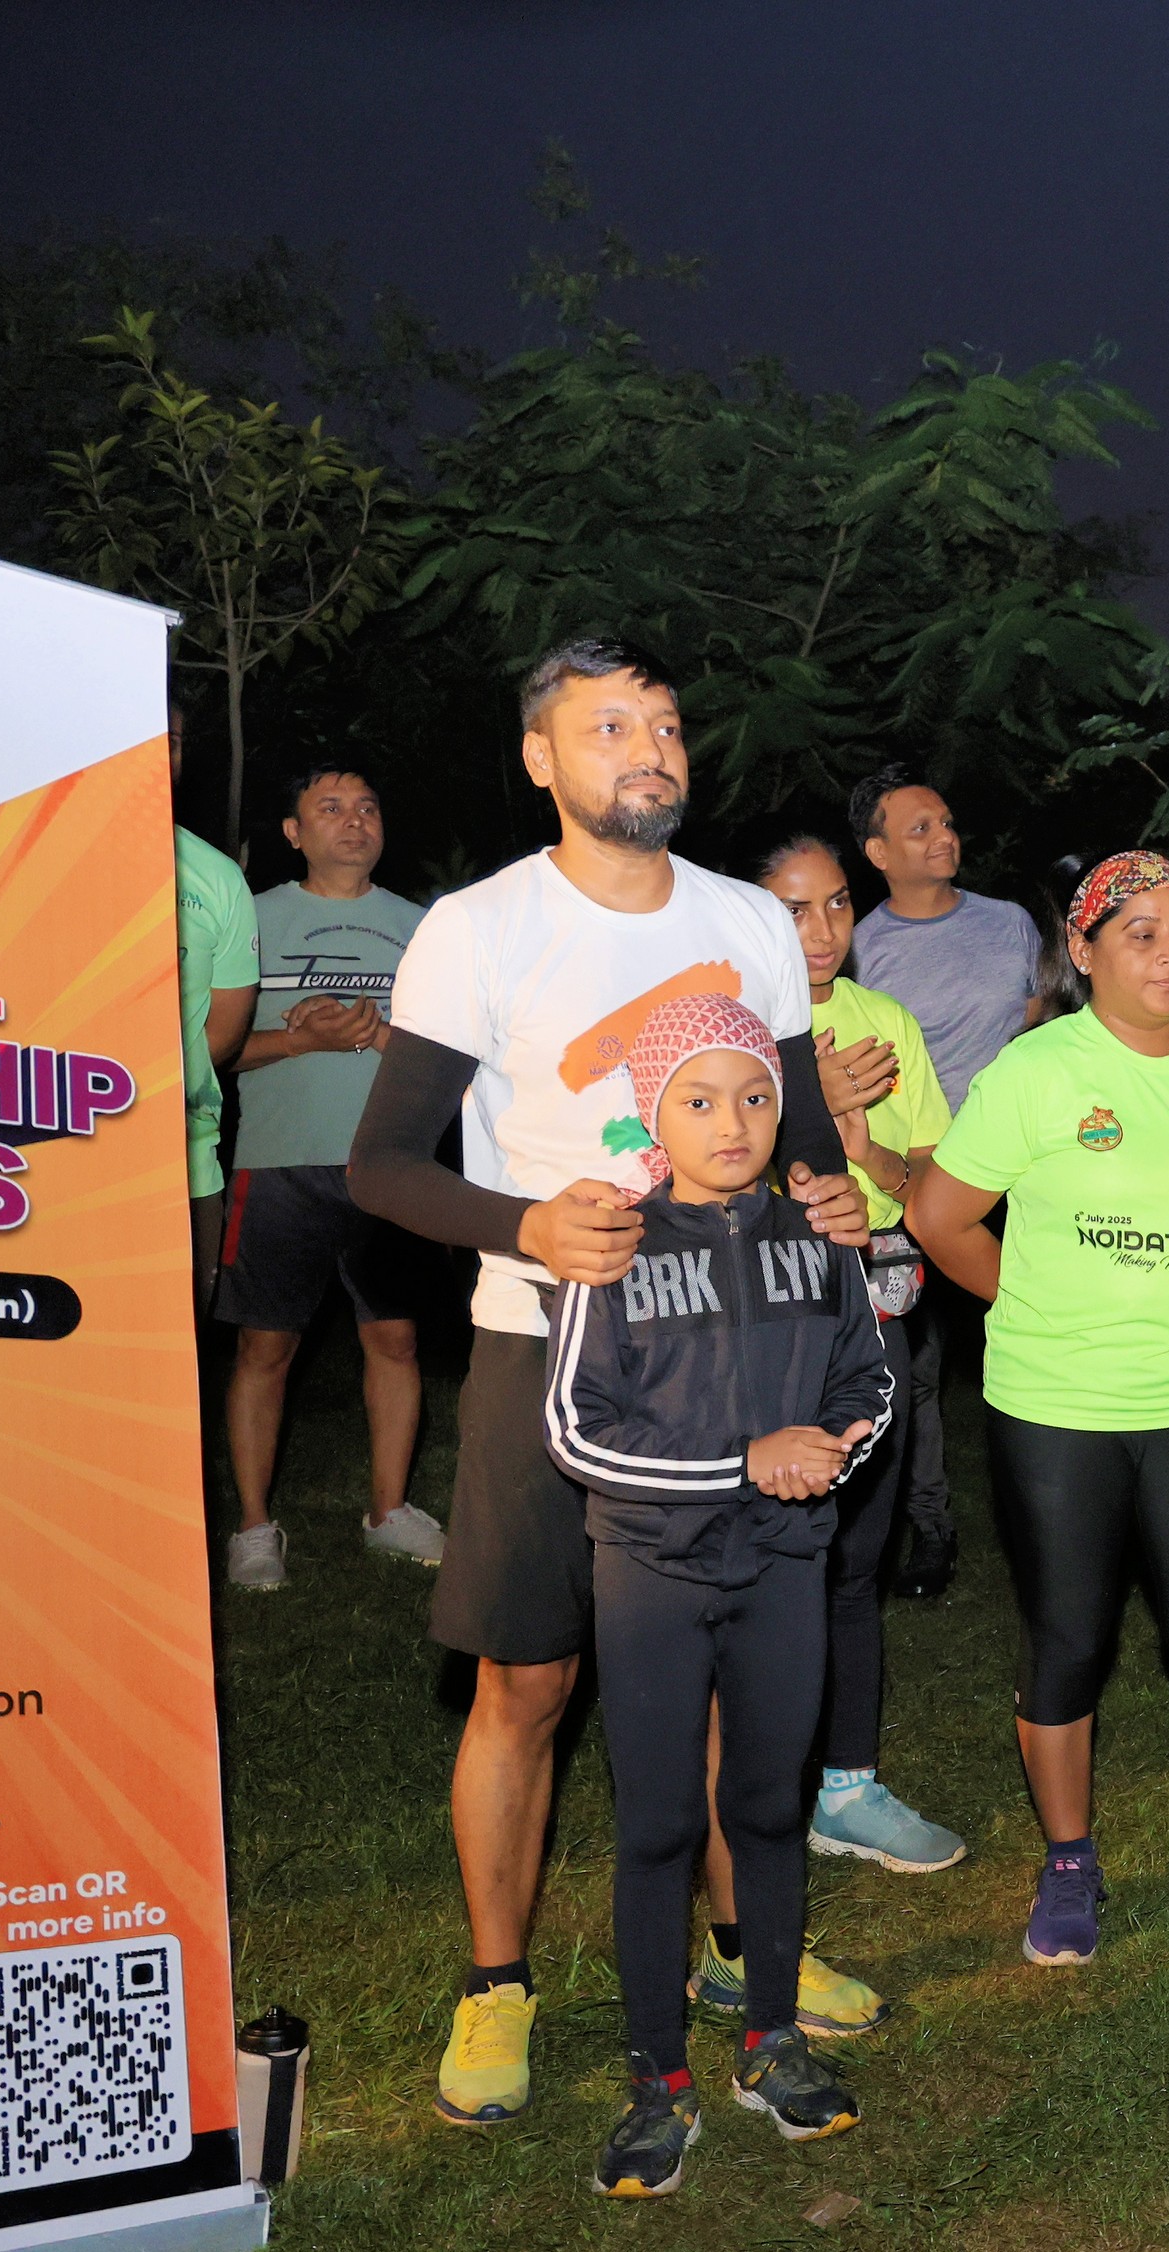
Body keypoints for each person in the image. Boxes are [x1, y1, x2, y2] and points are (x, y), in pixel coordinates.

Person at [349, 636, 874, 2128]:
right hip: (547, 1344)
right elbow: (380, 1166)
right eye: (608, 726)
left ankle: (742, 1956)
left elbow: (795, 1128)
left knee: (721, 1662)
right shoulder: (478, 927)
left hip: (740, 1348)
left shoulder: (747, 920)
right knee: (528, 1679)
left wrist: (828, 1194)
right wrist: (526, 1224)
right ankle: (497, 1983)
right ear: (541, 758)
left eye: (664, 724)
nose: (648, 748)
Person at [910, 853, 1169, 1966]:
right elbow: (939, 1216)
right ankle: (1069, 1858)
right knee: (1069, 1638)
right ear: (1083, 952)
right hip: (1056, 1404)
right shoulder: (1036, 1070)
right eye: (1142, 934)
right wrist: (1031, 1300)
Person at [547, 993, 893, 2197]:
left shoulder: (821, 1233)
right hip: (651, 1571)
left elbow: (867, 1381)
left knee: (766, 1808)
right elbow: (575, 1429)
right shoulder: (616, 1243)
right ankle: (658, 2078)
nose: (731, 1122)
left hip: (784, 1566)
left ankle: (770, 2039)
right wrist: (743, 1462)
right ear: (656, 1114)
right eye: (698, 1100)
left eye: (753, 1096)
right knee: (657, 1822)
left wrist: (826, 1452)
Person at [754, 834, 968, 1875]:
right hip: (755, 1314)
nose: (822, 930)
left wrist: (854, 1131)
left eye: (837, 904)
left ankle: (846, 1785)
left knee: (856, 1553)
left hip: (868, 1305)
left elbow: (928, 1187)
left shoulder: (888, 1023)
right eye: (794, 909)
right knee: (760, 1549)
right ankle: (757, 1788)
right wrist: (801, 1086)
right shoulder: (723, 1020)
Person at [218, 758, 444, 1588]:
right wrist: (301, 1040)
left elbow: (451, 1056)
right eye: (332, 807)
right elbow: (213, 1051)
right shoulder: (250, 918)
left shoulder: (424, 928)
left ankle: (389, 1511)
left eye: (368, 807)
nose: (354, 821)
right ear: (294, 831)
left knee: (396, 1338)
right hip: (277, 1164)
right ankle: (253, 1528)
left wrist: (376, 1034)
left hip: (391, 1165)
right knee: (264, 1345)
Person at [848, 764, 1042, 1115]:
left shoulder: (1010, 922)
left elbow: (1042, 1019)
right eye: (922, 829)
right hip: (930, 1143)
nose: (945, 838)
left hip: (1025, 1127)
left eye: (947, 824)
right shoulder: (857, 954)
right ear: (879, 853)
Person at [170, 714, 257, 1315]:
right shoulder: (35, 851)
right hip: (35, 1156)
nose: (157, 752)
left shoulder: (216, 877)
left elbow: (222, 1034)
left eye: (171, 741)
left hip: (187, 1166)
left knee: (176, 1350)